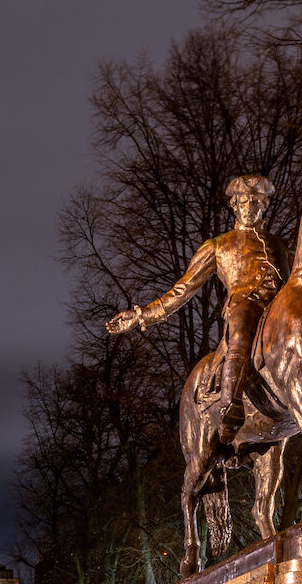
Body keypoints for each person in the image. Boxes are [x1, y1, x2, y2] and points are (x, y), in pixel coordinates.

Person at [107, 175, 290, 443]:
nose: (249, 208)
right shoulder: (218, 245)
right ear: (234, 207)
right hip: (245, 306)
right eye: (243, 202)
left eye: (255, 202)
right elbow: (183, 289)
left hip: (281, 310)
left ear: (264, 205)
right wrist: (140, 315)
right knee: (240, 330)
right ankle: (230, 404)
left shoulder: (281, 244)